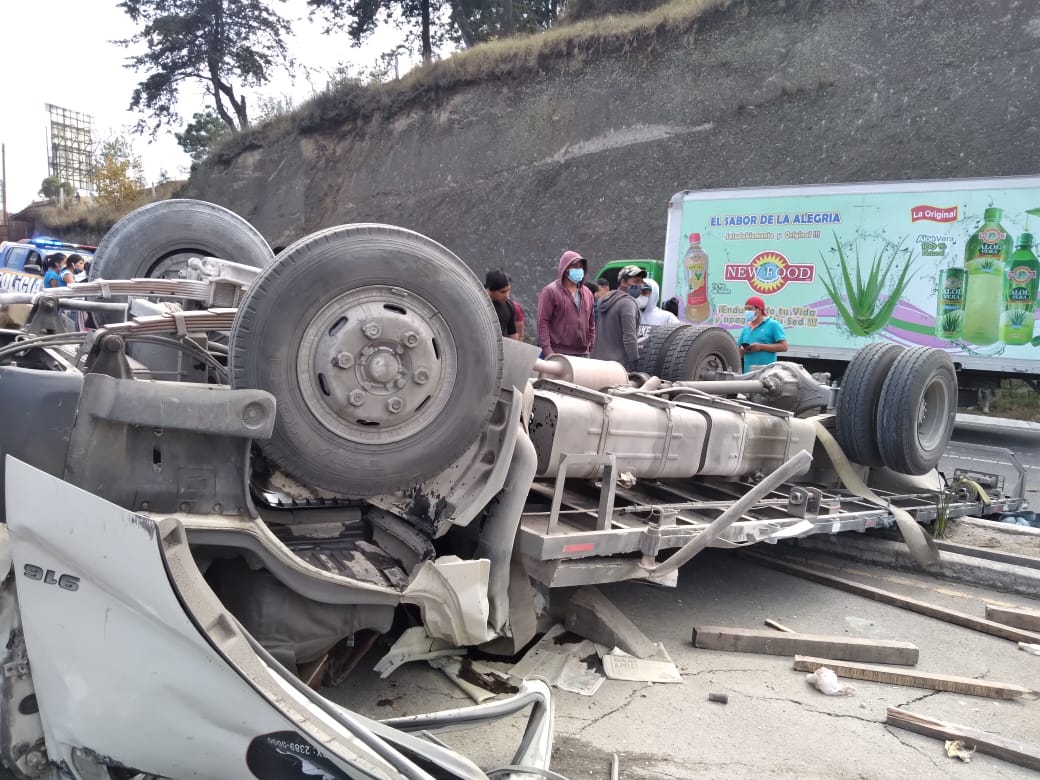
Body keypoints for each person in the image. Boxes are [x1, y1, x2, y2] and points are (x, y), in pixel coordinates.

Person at [537, 250, 595, 358]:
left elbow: (591, 322)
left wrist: (591, 342)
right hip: (558, 352)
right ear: (565, 269)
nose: (578, 270)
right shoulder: (550, 291)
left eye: (580, 267)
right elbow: (543, 323)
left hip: (582, 353)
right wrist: (548, 351)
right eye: (574, 267)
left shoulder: (587, 293)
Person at [591, 265, 641, 370]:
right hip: (617, 366)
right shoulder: (627, 303)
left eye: (641, 281)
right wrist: (634, 362)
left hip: (597, 362)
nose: (640, 285)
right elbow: (629, 337)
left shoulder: (604, 300)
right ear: (623, 282)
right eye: (636, 281)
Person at [737, 295, 788, 372]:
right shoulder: (746, 329)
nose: (747, 312)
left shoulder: (773, 325)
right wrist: (745, 350)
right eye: (746, 309)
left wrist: (760, 347)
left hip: (767, 374)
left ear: (759, 309)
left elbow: (784, 347)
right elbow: (738, 352)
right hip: (748, 374)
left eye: (750, 309)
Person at [485, 269, 519, 340]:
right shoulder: (479, 305)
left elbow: (512, 333)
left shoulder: (509, 305)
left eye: (508, 290)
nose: (507, 295)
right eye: (502, 292)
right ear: (490, 289)